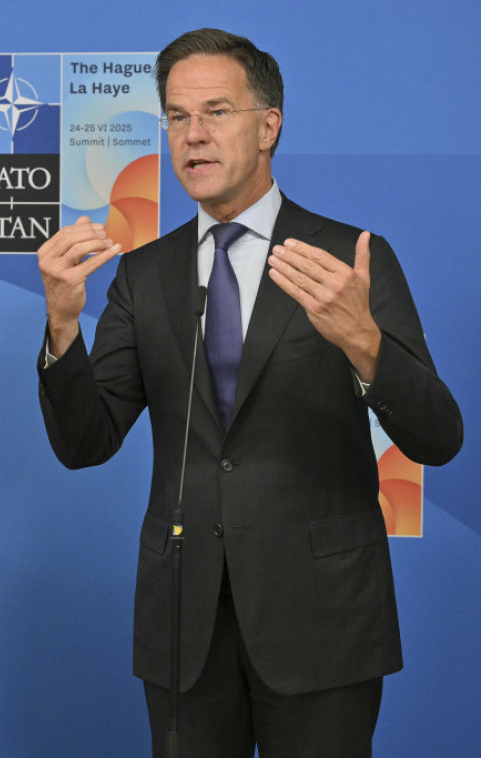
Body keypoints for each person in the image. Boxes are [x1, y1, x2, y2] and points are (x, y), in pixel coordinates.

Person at [36, 29, 462, 757]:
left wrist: (364, 343)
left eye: (216, 112)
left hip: (323, 618)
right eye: (177, 117)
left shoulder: (346, 259)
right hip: (185, 624)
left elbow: (438, 437)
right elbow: (84, 442)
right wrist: (62, 326)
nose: (192, 135)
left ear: (268, 127)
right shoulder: (145, 275)